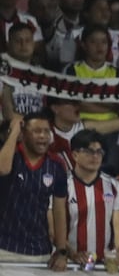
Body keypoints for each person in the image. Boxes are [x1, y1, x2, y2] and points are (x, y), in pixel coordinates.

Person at [0, 111, 68, 266]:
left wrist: (61, 250)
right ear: (23, 134)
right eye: (37, 131)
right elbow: (2, 169)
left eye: (46, 131)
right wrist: (14, 132)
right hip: (4, 248)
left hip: (39, 251)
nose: (43, 136)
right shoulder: (10, 155)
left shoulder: (56, 165)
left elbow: (59, 210)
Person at [63, 129, 119, 270]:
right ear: (74, 155)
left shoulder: (115, 186)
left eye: (99, 152)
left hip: (103, 266)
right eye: (89, 151)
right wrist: (73, 254)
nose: (95, 156)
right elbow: (54, 228)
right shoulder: (62, 185)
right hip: (68, 264)